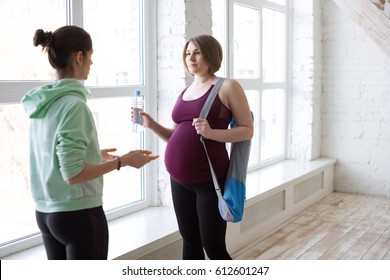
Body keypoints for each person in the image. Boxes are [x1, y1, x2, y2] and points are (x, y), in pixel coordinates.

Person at [21, 26, 158, 260]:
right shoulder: (74, 105)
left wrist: (94, 154)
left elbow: (49, 152)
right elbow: (72, 174)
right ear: (79, 56)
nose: (92, 63)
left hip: (46, 214)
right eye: (90, 55)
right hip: (77, 214)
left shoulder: (43, 103)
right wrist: (123, 162)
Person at [138, 34, 253, 259]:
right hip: (179, 180)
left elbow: (247, 130)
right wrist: (151, 125)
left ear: (211, 54)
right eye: (188, 53)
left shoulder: (227, 86)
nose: (191, 57)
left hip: (209, 181)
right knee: (190, 240)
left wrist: (212, 133)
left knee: (213, 246)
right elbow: (174, 136)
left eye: (197, 52)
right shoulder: (185, 91)